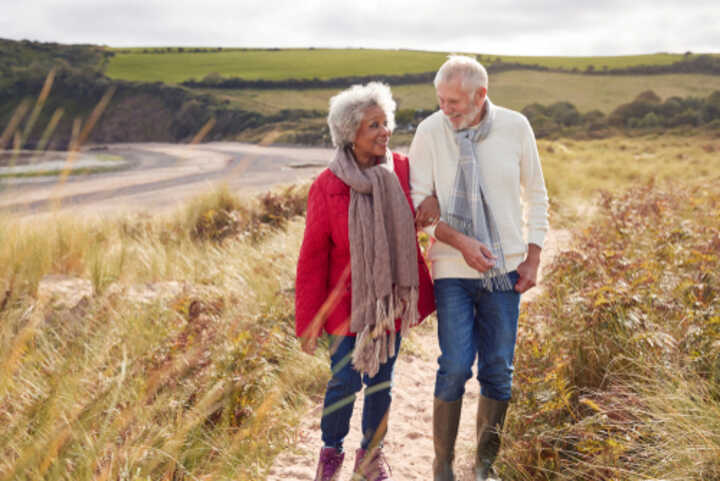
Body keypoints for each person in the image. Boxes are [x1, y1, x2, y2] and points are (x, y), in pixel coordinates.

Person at [409, 55, 549, 481]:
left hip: (505, 270)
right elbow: (420, 207)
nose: (445, 109)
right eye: (441, 100)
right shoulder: (430, 132)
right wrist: (464, 243)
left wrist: (533, 256)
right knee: (454, 365)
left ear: (481, 95)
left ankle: (484, 466)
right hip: (453, 266)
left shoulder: (515, 127)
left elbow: (538, 195)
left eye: (454, 102)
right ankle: (443, 465)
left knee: (498, 370)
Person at [295, 82, 436, 481]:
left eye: (385, 122)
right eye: (373, 125)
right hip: (344, 307)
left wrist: (435, 201)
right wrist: (308, 321)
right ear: (349, 132)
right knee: (343, 382)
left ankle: (371, 457)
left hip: (389, 300)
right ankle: (330, 453)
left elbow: (433, 194)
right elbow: (312, 256)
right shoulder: (327, 184)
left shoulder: (404, 170)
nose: (383, 131)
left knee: (381, 383)